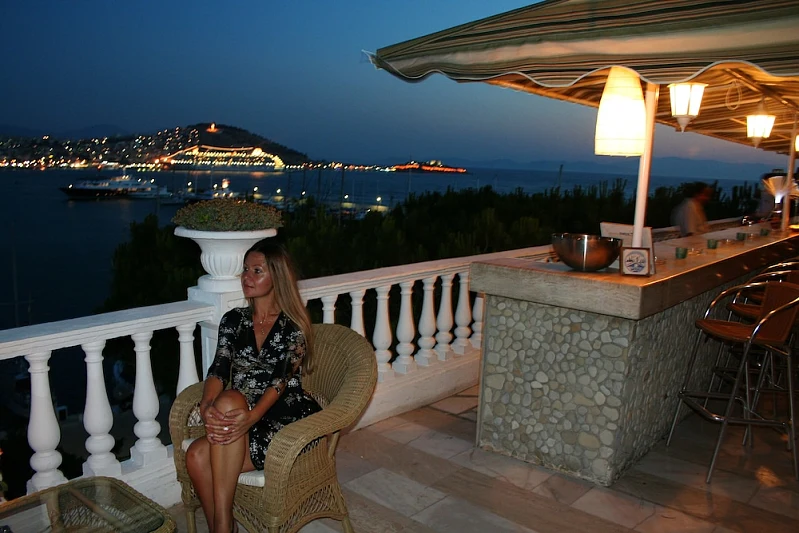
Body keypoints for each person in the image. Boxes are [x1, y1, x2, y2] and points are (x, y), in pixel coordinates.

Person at [185, 240, 321, 533]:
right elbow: (218, 368)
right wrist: (206, 405)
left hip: (282, 416)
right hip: (239, 413)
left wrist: (252, 417)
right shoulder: (233, 320)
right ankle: (223, 527)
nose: (246, 277)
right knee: (195, 455)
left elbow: (280, 382)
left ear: (277, 276)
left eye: (257, 271)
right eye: (245, 269)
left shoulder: (293, 327)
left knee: (229, 402)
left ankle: (223, 526)